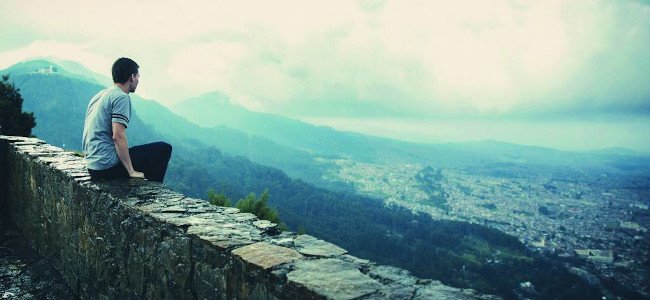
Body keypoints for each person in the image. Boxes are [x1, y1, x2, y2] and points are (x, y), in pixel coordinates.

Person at [82, 57, 172, 182]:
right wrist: (131, 171)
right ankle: (153, 194)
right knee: (164, 149)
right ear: (131, 77)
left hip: (93, 166)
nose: (138, 81)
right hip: (106, 167)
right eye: (138, 77)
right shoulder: (121, 97)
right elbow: (118, 136)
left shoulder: (100, 95)